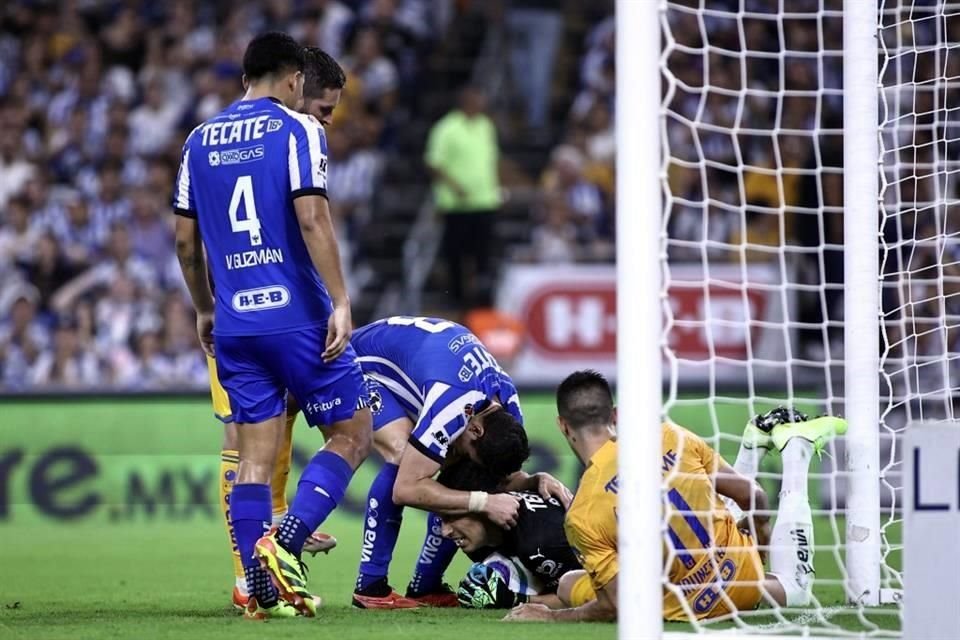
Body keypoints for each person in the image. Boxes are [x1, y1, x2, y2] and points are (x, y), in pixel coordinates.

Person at [173, 32, 371, 620]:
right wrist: (340, 300)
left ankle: (256, 583)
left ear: (244, 77)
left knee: (251, 458)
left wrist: (205, 307)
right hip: (298, 319)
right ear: (293, 81)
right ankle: (284, 544)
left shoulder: (198, 139)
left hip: (235, 326)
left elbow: (185, 243)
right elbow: (312, 218)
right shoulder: (297, 129)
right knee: (352, 432)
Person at [505, 370, 847, 622]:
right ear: (615, 415)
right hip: (738, 581)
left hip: (682, 604)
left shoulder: (581, 514)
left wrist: (551, 618)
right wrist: (756, 556)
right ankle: (756, 442)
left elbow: (617, 606)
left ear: (563, 426)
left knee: (796, 589)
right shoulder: (669, 435)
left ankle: (796, 449)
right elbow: (755, 497)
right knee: (568, 584)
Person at [350, 315, 571, 609]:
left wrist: (533, 479)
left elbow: (498, 476)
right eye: (468, 446)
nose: (458, 452)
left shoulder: (508, 409)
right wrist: (483, 503)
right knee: (405, 458)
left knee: (458, 474)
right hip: (357, 366)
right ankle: (370, 586)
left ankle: (424, 587)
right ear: (475, 429)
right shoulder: (454, 404)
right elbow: (405, 490)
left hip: (417, 367)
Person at [435, 460, 582, 610]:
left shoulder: (539, 544)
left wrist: (517, 600)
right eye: (441, 519)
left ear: (485, 509)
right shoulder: (485, 532)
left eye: (451, 518)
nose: (444, 532)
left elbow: (590, 595)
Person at [424, 87, 502, 310]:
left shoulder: (486, 126)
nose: (480, 104)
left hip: (485, 202)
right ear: (465, 101)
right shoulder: (446, 128)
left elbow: (492, 160)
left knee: (483, 256)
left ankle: (484, 304)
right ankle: (457, 302)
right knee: (456, 256)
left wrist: (497, 187)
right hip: (456, 206)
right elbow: (433, 163)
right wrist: (454, 186)